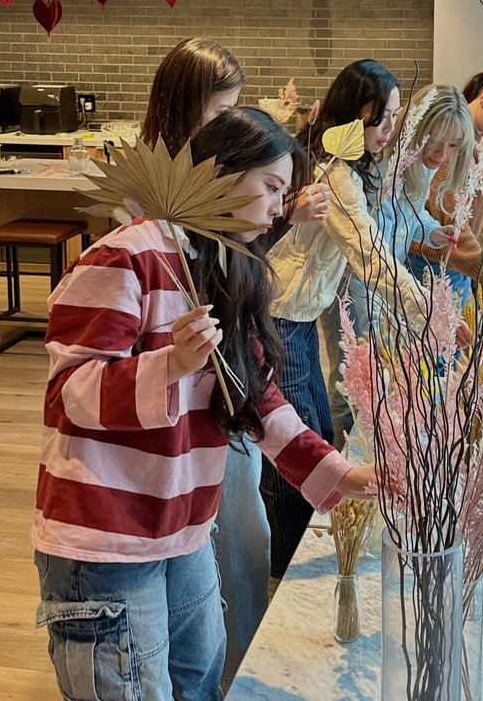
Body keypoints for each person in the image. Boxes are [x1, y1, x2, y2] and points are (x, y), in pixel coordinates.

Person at [32, 107, 374, 701]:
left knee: (200, 680)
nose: (277, 208)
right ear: (221, 172)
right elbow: (69, 393)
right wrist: (170, 365)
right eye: (271, 188)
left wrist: (340, 475)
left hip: (184, 529)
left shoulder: (226, 265)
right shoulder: (126, 256)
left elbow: (252, 396)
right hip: (106, 538)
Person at [137, 37, 329, 684]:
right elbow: (88, 382)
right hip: (172, 416)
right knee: (210, 546)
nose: (227, 123)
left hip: (224, 390)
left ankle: (237, 665)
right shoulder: (149, 214)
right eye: (220, 110)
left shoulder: (219, 211)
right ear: (180, 109)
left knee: (239, 534)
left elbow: (242, 335)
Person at [262, 60, 471, 576]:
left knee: (311, 435)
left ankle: (295, 558)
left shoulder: (352, 167)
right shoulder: (334, 172)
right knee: (294, 448)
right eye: (383, 119)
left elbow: (393, 219)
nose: (390, 131)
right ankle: (283, 566)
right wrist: (432, 312)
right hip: (280, 319)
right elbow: (371, 257)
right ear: (355, 115)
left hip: (299, 321)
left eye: (396, 118)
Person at [349, 83, 474, 330]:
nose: (442, 153)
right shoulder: (380, 168)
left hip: (390, 276)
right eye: (436, 140)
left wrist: (431, 231)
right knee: (358, 357)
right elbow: (370, 240)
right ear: (416, 129)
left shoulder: (423, 163)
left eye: (453, 144)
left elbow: (408, 212)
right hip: (360, 278)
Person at [408, 67, 483, 301]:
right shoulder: (454, 141)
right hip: (434, 263)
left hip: (462, 263)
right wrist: (481, 264)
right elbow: (445, 212)